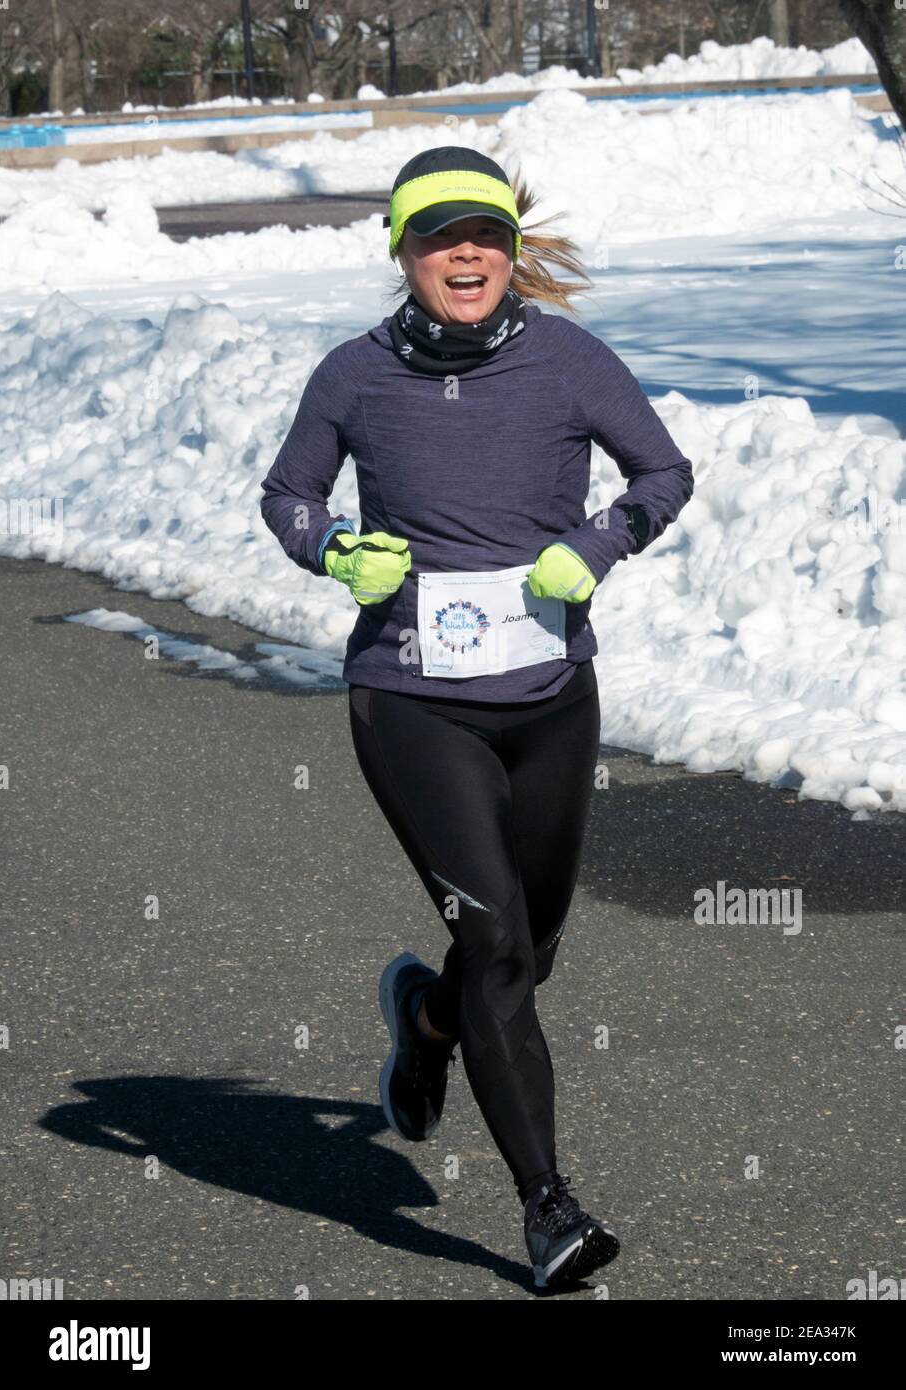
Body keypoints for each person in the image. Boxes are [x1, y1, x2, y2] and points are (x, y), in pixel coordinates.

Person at [259, 146, 694, 1290]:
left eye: (484, 235)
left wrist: (593, 549)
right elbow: (287, 495)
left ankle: (430, 1019)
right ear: (401, 251)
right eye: (439, 235)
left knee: (528, 948)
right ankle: (547, 1208)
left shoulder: (568, 361)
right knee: (496, 937)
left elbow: (662, 474)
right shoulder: (352, 377)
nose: (465, 253)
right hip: (410, 701)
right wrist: (336, 551)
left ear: (509, 249)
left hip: (549, 696)